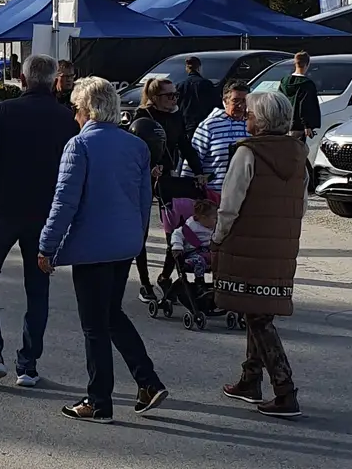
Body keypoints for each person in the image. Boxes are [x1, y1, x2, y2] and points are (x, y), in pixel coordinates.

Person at [38, 76, 169, 424]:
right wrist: (136, 238)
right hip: (124, 243)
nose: (74, 116)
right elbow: (145, 201)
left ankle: (99, 401)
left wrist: (46, 246)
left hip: (92, 245)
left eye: (76, 109)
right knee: (112, 315)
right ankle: (147, 380)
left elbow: (64, 202)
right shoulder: (136, 146)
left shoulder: (79, 146)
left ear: (86, 109)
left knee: (94, 325)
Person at [0, 54, 77, 388]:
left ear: (22, 80)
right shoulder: (65, 119)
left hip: (2, 206)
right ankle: (28, 365)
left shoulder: (5, 111)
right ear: (54, 80)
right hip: (44, 211)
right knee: (37, 286)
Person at [213, 90, 310, 420]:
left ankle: (285, 390)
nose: (246, 119)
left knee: (257, 316)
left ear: (262, 120)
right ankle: (250, 379)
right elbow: (303, 204)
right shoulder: (299, 153)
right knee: (257, 309)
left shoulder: (248, 153)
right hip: (281, 243)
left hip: (249, 243)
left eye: (251, 114)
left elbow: (229, 205)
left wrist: (217, 238)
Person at [130, 76, 206, 302]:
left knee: (176, 231)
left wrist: (198, 171)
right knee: (141, 233)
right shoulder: (143, 117)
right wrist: (150, 168)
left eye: (176, 94)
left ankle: (165, 276)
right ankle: (145, 283)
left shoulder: (175, 116)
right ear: (154, 98)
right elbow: (136, 149)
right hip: (145, 177)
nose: (175, 99)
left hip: (168, 177)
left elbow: (185, 145)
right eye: (169, 95)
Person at [192, 82, 251, 196]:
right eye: (235, 100)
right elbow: (194, 159)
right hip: (214, 195)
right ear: (225, 101)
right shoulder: (209, 125)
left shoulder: (252, 125)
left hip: (245, 194)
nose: (240, 105)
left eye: (244, 101)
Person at [278, 52, 321, 143]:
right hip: (298, 126)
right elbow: (306, 105)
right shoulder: (307, 84)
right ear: (307, 64)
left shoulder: (284, 81)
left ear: (295, 63)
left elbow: (279, 100)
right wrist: (307, 125)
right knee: (298, 152)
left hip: (284, 124)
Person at [175, 56, 219, 141]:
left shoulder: (180, 85)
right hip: (204, 123)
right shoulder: (207, 84)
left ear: (187, 68)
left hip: (186, 123)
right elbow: (215, 104)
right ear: (199, 68)